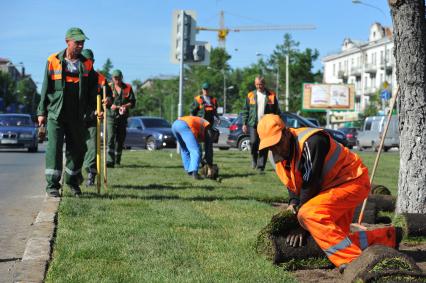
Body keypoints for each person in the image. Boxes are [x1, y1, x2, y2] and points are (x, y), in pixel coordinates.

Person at [257, 114, 398, 272]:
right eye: (270, 146)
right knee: (335, 240)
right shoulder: (276, 156)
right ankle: (388, 237)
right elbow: (292, 184)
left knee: (308, 214)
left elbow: (310, 184)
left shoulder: (312, 142)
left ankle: (353, 261)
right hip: (331, 188)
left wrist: (300, 224)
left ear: (287, 133)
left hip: (352, 181)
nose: (275, 149)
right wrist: (293, 204)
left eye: (277, 143)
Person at [37, 27, 99, 197]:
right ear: (67, 41)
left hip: (77, 115)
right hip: (56, 113)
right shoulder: (53, 60)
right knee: (54, 149)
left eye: (82, 42)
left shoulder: (87, 63)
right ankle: (52, 186)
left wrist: (99, 99)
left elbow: (94, 85)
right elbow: (45, 88)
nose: (80, 45)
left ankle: (72, 181)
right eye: (77, 42)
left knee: (79, 149)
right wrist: (41, 112)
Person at [80, 49, 112, 186]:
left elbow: (109, 96)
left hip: (93, 117)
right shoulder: (75, 76)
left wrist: (108, 100)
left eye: (89, 61)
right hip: (77, 118)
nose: (87, 64)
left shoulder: (101, 79)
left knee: (93, 148)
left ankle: (91, 175)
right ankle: (75, 178)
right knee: (78, 149)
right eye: (84, 61)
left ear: (92, 62)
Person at [241, 76, 280, 172]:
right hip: (254, 124)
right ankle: (254, 158)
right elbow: (246, 110)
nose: (259, 86)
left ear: (264, 84)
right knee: (254, 142)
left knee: (264, 145)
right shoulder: (250, 95)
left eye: (261, 84)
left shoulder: (271, 95)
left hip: (266, 126)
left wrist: (276, 122)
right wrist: (244, 123)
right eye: (257, 84)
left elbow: (277, 111)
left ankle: (261, 166)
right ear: (255, 84)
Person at [106, 69, 136, 167]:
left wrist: (125, 106)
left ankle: (117, 160)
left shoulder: (128, 87)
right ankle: (110, 161)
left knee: (120, 139)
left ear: (122, 78)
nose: (117, 81)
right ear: (112, 78)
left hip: (122, 117)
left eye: (119, 78)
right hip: (111, 116)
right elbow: (104, 100)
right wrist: (109, 103)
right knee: (110, 138)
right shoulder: (108, 87)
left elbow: (132, 102)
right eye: (115, 78)